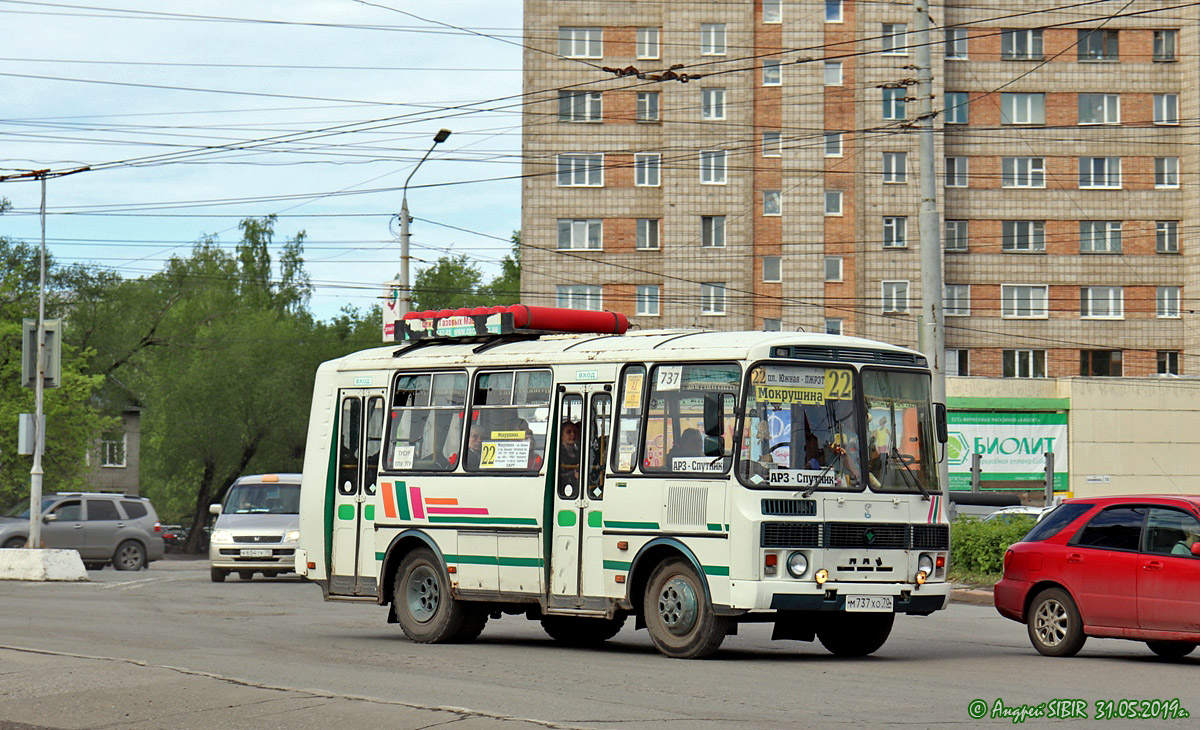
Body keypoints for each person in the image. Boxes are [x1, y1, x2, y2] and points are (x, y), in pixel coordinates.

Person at [559, 421, 581, 487]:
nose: (573, 434)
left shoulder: (579, 452)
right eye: (568, 432)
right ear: (562, 436)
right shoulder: (558, 453)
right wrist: (573, 474)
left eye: (575, 432)